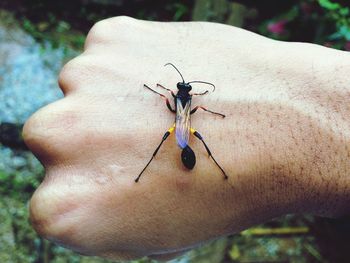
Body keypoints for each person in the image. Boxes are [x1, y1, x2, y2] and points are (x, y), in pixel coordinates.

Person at [23, 16, 350, 261]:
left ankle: (188, 163)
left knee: (185, 135)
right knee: (183, 136)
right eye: (184, 90)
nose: (184, 92)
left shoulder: (183, 101)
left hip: (183, 131)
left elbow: (180, 106)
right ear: (185, 93)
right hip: (183, 130)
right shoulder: (187, 102)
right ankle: (186, 162)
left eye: (184, 91)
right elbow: (185, 107)